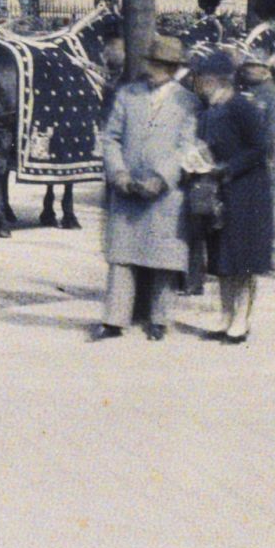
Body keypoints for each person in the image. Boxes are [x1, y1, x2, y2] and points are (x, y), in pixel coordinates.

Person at [90, 35, 199, 342]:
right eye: (153, 64)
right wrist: (119, 173)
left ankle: (160, 319)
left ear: (174, 68)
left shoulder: (187, 102)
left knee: (165, 257)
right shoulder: (128, 95)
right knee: (122, 257)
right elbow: (110, 137)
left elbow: (186, 147)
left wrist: (162, 178)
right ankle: (114, 320)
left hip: (165, 192)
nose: (155, 71)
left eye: (163, 66)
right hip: (127, 188)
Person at [188, 49, 274, 344]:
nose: (196, 82)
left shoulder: (241, 107)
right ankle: (226, 315)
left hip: (246, 193)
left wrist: (226, 167)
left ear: (215, 80)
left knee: (243, 260)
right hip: (218, 191)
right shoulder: (207, 110)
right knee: (222, 258)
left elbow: (259, 148)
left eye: (200, 77)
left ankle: (241, 318)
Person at [236, 56, 275, 207]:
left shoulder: (273, 95)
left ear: (265, 71)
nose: (248, 70)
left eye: (253, 67)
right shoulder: (254, 92)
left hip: (267, 151)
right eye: (248, 66)